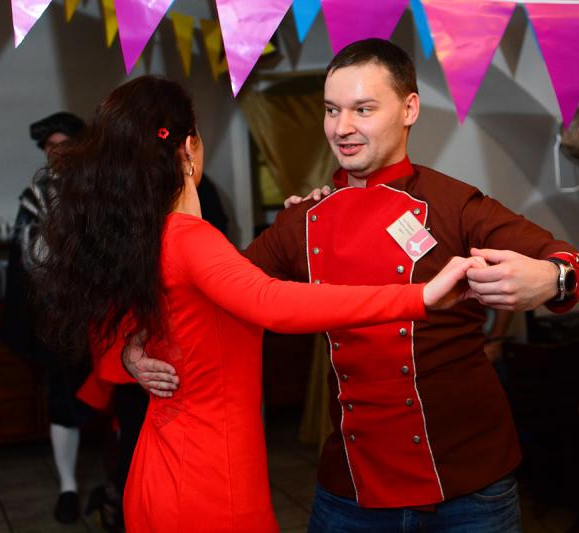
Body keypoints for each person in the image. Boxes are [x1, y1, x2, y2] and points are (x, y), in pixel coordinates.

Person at [125, 39, 579, 532]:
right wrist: (134, 346)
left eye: (363, 109)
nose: (342, 127)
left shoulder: (453, 203)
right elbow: (213, 296)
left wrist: (553, 278)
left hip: (469, 483)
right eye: (332, 110)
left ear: (409, 109)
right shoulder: (303, 220)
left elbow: (564, 257)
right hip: (353, 486)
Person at [28, 75, 487, 532]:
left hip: (162, 467)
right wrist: (420, 296)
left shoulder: (149, 238)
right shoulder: (191, 239)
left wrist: (132, 350)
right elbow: (271, 301)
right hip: (208, 482)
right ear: (188, 148)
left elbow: (190, 304)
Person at [0, 111, 93, 524]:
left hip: (109, 313)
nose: (56, 153)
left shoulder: (103, 186)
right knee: (63, 399)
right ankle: (68, 486)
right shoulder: (36, 195)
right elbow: (29, 257)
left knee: (121, 396)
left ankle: (124, 482)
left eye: (63, 144)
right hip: (62, 318)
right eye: (50, 147)